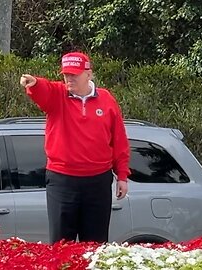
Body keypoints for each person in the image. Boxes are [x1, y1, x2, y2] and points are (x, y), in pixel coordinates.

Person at [19, 52, 130, 243]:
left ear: (88, 73)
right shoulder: (58, 95)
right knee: (62, 245)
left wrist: (122, 175)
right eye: (66, 74)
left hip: (98, 182)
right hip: (62, 181)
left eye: (74, 74)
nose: (69, 79)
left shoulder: (107, 99)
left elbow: (119, 140)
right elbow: (43, 90)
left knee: (95, 245)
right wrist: (34, 83)